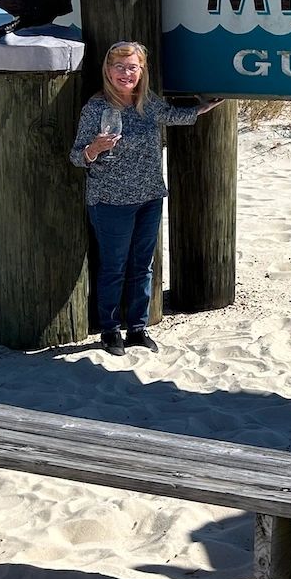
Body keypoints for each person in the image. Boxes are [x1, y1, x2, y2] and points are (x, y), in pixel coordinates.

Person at [70, 41, 221, 354]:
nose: (126, 73)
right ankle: (110, 330)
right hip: (110, 200)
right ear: (108, 70)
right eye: (120, 67)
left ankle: (137, 328)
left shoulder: (146, 102)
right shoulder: (96, 108)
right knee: (113, 267)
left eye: (132, 67)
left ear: (142, 71)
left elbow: (170, 115)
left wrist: (203, 107)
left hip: (150, 196)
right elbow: (75, 156)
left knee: (143, 265)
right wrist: (95, 149)